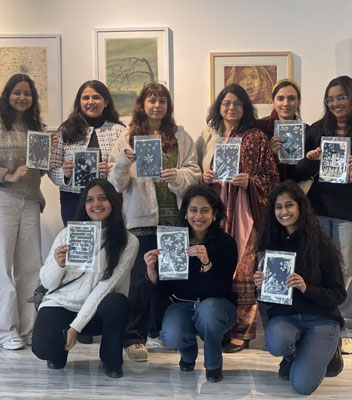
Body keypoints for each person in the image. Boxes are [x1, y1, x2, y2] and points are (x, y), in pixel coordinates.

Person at [109, 82, 201, 361]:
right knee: (141, 280)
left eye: (162, 101)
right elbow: (115, 183)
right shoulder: (128, 137)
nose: (157, 105)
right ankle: (134, 337)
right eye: (151, 100)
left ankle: (159, 330)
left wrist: (179, 176)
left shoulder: (180, 135)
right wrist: (124, 162)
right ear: (142, 104)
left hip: (174, 220)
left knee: (169, 279)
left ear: (168, 106)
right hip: (140, 220)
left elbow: (195, 172)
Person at [196, 83, 279, 352]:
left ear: (245, 107)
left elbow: (272, 178)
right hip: (215, 214)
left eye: (237, 103)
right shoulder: (210, 136)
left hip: (245, 214)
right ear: (219, 106)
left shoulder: (255, 137)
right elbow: (197, 170)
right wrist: (204, 177)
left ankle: (243, 331)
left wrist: (250, 181)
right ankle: (219, 325)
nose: (231, 108)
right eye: (226, 103)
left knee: (244, 271)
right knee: (217, 267)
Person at [32, 179, 138, 378]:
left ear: (113, 202)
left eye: (102, 198)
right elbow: (48, 283)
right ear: (84, 205)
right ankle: (58, 352)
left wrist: (76, 327)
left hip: (99, 310)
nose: (96, 204)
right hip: (62, 304)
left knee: (118, 302)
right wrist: (58, 265)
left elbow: (106, 286)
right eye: (90, 200)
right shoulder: (67, 234)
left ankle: (111, 361)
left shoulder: (128, 241)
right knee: (43, 349)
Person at [0, 73, 50, 350]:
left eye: (27, 93)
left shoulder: (36, 128)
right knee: (0, 267)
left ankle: (28, 329)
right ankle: (4, 331)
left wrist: (51, 158)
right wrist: (7, 175)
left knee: (31, 268)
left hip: (30, 201)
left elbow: (40, 170)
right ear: (7, 95)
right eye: (17, 92)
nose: (22, 97)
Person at [254, 181, 346, 395]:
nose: (284, 211)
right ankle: (293, 355)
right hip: (286, 319)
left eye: (289, 205)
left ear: (300, 207)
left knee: (302, 386)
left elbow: (338, 294)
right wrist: (260, 286)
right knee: (276, 342)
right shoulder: (270, 244)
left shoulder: (321, 245)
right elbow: (266, 300)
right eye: (278, 207)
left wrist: (306, 288)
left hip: (321, 320)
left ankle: (330, 350)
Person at [145, 184, 237, 382]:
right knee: (171, 335)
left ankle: (213, 364)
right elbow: (164, 290)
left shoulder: (226, 243)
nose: (198, 216)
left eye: (205, 210)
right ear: (185, 213)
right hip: (182, 304)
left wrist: (207, 263)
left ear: (214, 214)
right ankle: (188, 353)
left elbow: (220, 290)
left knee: (208, 311)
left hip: (217, 306)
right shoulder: (174, 240)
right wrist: (152, 270)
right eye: (193, 210)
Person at [294, 75, 352, 354]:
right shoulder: (317, 129)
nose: (335, 103)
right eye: (330, 98)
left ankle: (346, 326)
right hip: (317, 208)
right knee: (315, 265)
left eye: (341, 97)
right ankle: (320, 319)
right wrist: (311, 159)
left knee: (345, 269)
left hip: (348, 212)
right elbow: (298, 172)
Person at [49, 80, 125, 226]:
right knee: (79, 239)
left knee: (109, 238)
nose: (91, 102)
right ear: (79, 102)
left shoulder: (119, 131)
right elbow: (52, 167)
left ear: (106, 102)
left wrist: (110, 171)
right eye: (85, 98)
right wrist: (64, 174)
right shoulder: (66, 129)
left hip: (109, 201)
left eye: (96, 97)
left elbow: (127, 167)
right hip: (73, 200)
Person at [256, 79, 304, 181]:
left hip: (295, 188)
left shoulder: (306, 131)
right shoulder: (260, 128)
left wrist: (309, 158)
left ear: (299, 102)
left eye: (291, 98)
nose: (286, 103)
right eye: (280, 98)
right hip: (267, 188)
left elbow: (305, 171)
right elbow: (252, 167)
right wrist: (269, 152)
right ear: (273, 102)